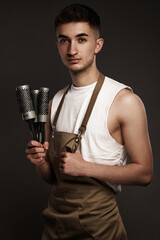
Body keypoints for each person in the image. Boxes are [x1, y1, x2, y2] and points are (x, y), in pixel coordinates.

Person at [25, 4, 153, 240]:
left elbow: (144, 173)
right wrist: (39, 161)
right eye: (64, 40)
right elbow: (52, 178)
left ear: (97, 45)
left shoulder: (124, 101)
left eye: (81, 39)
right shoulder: (54, 103)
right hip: (54, 224)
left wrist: (86, 168)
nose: (72, 49)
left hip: (99, 228)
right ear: (57, 46)